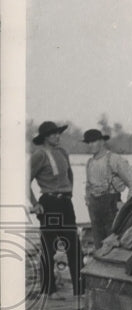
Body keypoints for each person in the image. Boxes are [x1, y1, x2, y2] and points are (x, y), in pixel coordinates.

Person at [28, 120, 82, 297]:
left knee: (74, 246)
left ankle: (80, 291)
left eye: (58, 133)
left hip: (66, 203)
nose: (57, 136)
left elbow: (70, 174)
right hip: (49, 205)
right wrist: (35, 204)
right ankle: (48, 290)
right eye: (53, 134)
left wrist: (69, 193)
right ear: (44, 138)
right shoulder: (39, 155)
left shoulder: (62, 152)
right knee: (49, 248)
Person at [82, 128, 132, 251]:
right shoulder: (89, 162)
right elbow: (88, 186)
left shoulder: (114, 159)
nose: (90, 145)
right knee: (99, 245)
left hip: (112, 206)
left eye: (93, 141)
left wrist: (127, 206)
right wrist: (89, 201)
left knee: (114, 244)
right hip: (95, 209)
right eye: (88, 142)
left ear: (102, 142)